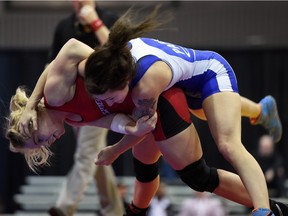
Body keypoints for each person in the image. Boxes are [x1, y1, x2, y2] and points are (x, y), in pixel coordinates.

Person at [4, 38, 288, 216]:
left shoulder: (60, 91)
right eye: (43, 146)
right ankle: (260, 110)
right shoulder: (73, 116)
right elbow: (125, 123)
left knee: (213, 156)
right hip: (166, 90)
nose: (49, 142)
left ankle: (268, 208)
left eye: (41, 138)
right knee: (194, 115)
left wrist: (31, 104)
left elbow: (67, 51)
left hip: (183, 81)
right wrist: (127, 134)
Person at [83, 5, 282, 216]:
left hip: (210, 73)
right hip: (184, 85)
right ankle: (261, 110)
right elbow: (71, 49)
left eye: (112, 98)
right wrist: (41, 98)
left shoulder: (145, 85)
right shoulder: (113, 59)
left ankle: (264, 210)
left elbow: (143, 129)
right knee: (206, 111)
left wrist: (115, 150)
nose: (111, 104)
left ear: (124, 81)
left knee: (228, 145)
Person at [46, 1, 122, 215]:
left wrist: (95, 23)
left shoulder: (108, 19)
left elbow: (120, 53)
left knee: (86, 153)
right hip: (71, 103)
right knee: (94, 156)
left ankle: (64, 206)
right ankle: (114, 210)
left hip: (100, 101)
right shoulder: (64, 26)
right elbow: (52, 66)